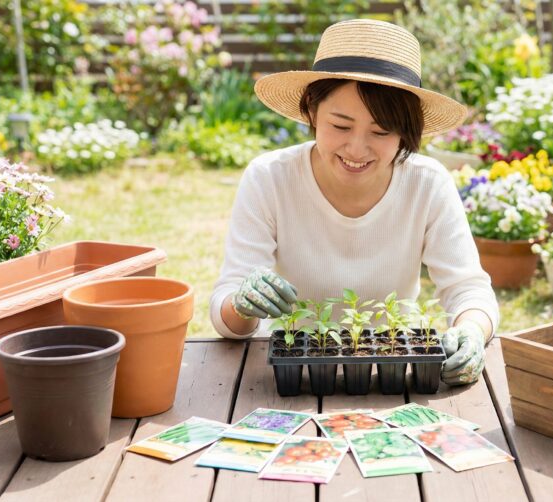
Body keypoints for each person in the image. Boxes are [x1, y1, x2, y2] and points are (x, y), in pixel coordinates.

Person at [209, 19, 499, 385]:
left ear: (406, 133)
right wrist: (241, 303)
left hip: (392, 374)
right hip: (289, 374)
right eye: (340, 126)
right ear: (312, 112)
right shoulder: (270, 178)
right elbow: (229, 322)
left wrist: (472, 330)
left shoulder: (427, 183)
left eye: (381, 131)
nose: (357, 149)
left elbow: (468, 290)